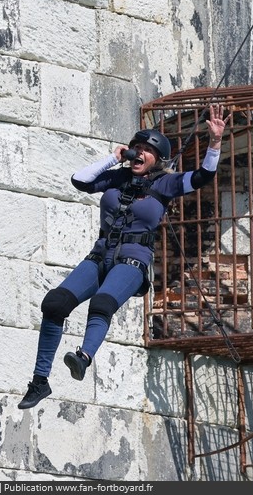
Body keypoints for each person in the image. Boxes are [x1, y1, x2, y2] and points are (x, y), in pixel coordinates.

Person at [18, 103, 228, 409]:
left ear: (158, 158)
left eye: (146, 150)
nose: (138, 153)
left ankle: (83, 357)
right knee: (54, 304)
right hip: (100, 256)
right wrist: (113, 159)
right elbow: (80, 180)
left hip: (133, 261)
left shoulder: (165, 183)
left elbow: (202, 177)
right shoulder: (117, 178)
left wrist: (215, 143)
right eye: (135, 148)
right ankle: (39, 382)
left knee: (101, 303)